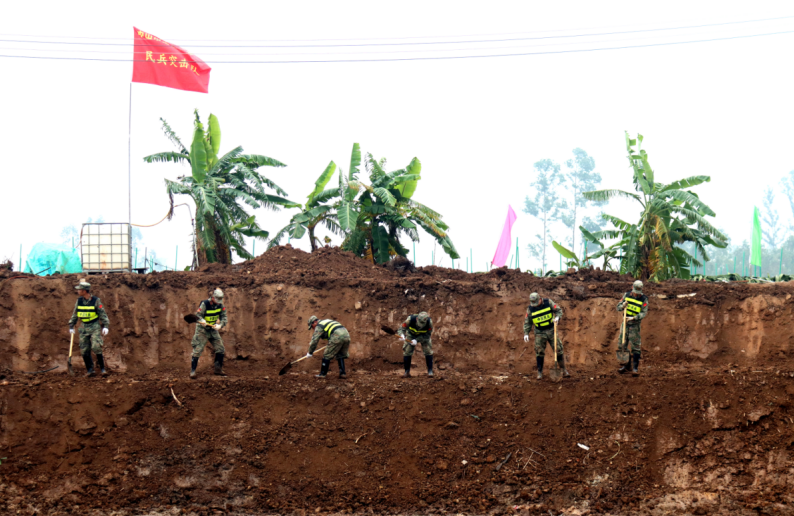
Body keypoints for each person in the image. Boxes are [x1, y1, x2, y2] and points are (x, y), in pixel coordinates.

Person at [68, 281, 110, 377]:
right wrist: (71, 325)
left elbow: (102, 313)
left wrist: (106, 326)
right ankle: (90, 370)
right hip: (84, 327)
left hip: (94, 326)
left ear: (84, 291)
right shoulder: (79, 301)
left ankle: (103, 369)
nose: (78, 291)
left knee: (96, 347)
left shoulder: (96, 301)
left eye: (79, 289)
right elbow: (75, 314)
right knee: (84, 350)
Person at [523, 292, 568, 380]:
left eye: (536, 303)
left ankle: (564, 370)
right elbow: (528, 322)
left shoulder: (548, 302)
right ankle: (540, 372)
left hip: (551, 330)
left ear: (540, 299)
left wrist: (557, 317)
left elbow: (558, 310)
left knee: (558, 349)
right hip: (539, 332)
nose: (535, 305)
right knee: (539, 351)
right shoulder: (530, 309)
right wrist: (526, 333)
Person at [190, 288, 228, 378]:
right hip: (202, 330)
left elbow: (224, 317)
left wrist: (220, 325)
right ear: (213, 297)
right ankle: (193, 371)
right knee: (197, 350)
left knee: (220, 348)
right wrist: (202, 321)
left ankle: (218, 369)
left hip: (213, 329)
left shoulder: (221, 305)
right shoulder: (205, 304)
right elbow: (198, 315)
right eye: (217, 300)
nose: (218, 302)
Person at [616, 280, 649, 376]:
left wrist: (634, 318)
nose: (636, 294)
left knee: (635, 346)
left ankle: (635, 368)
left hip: (635, 325)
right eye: (635, 292)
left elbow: (644, 312)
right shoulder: (626, 295)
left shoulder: (644, 299)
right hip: (625, 324)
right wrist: (622, 305)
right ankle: (627, 366)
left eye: (638, 292)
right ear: (632, 288)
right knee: (622, 344)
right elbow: (618, 307)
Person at [396, 311, 434, 377]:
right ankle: (407, 372)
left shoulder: (429, 322)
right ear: (417, 319)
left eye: (423, 323)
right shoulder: (410, 319)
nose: (420, 326)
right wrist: (401, 335)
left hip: (423, 336)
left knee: (428, 351)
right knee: (407, 351)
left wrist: (417, 340)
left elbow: (427, 335)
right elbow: (402, 328)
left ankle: (430, 371)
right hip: (411, 335)